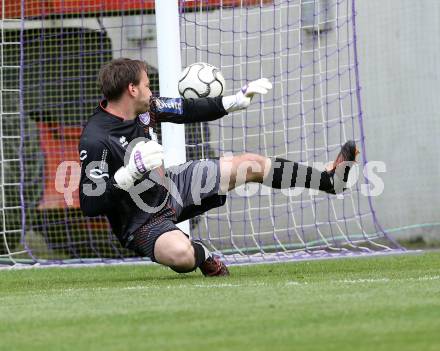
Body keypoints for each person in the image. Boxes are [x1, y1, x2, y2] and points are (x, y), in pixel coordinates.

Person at [78, 58, 358, 277]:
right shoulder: (96, 138)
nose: (152, 90)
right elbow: (90, 204)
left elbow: (187, 109)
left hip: (173, 185)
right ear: (132, 89)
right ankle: (203, 256)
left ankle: (330, 181)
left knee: (252, 165)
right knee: (182, 257)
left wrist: (234, 102)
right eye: (148, 84)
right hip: (141, 220)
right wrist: (128, 175)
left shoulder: (148, 107)